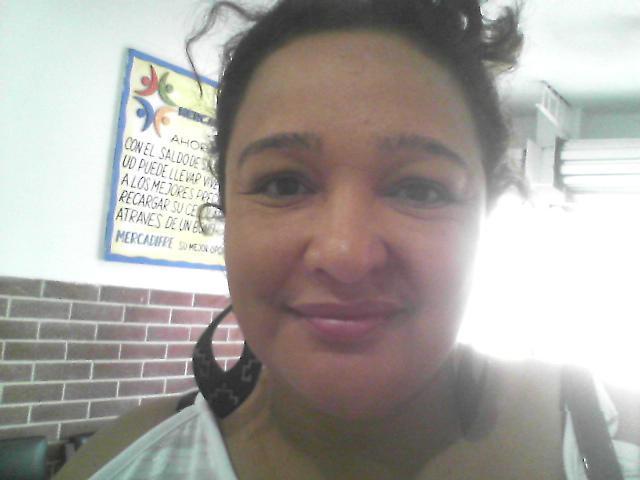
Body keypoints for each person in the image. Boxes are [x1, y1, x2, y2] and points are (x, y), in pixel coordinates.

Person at [56, 1, 639, 479]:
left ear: (488, 218)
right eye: (284, 184)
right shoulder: (118, 464)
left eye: (420, 189)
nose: (346, 255)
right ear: (226, 212)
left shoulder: (616, 440)